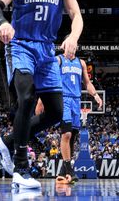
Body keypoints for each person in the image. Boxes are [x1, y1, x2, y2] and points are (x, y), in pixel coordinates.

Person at [0, 0, 83, 189]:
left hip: (47, 51)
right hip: (21, 45)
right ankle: (21, 167)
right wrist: (3, 23)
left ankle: (7, 143)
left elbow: (76, 15)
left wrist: (73, 36)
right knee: (27, 98)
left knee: (55, 112)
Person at [35, 51, 102, 184]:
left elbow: (87, 83)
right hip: (63, 99)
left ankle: (62, 172)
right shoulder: (58, 60)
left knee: (73, 136)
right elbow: (48, 79)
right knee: (66, 134)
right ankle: (69, 169)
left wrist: (95, 95)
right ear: (65, 45)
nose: (73, 47)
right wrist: (40, 101)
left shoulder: (81, 63)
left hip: (76, 101)